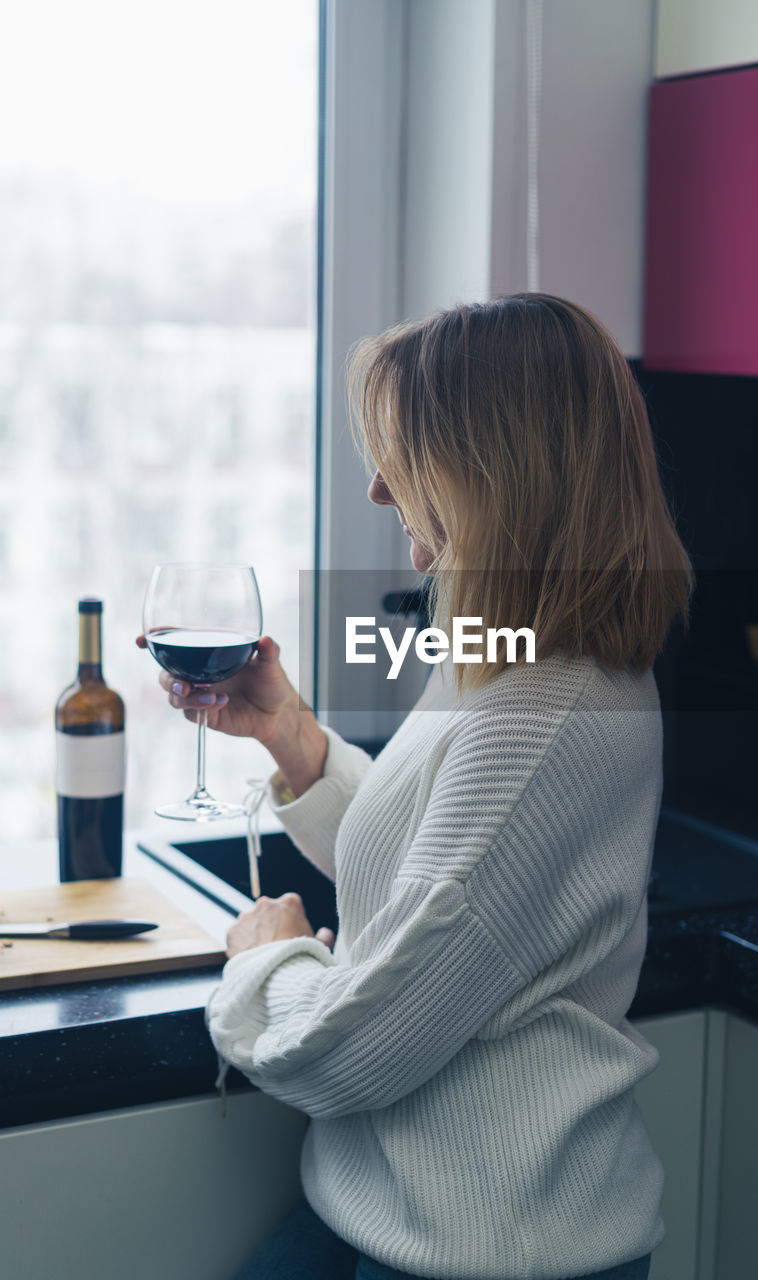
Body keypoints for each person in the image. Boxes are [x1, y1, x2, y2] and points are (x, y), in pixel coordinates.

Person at [157, 294, 694, 1280]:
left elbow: (357, 1046)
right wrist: (293, 736)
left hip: (489, 1246)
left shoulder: (546, 710)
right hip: (386, 1208)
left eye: (401, 452)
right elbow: (438, 872)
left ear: (493, 474)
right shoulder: (506, 654)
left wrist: (265, 962)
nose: (373, 488)